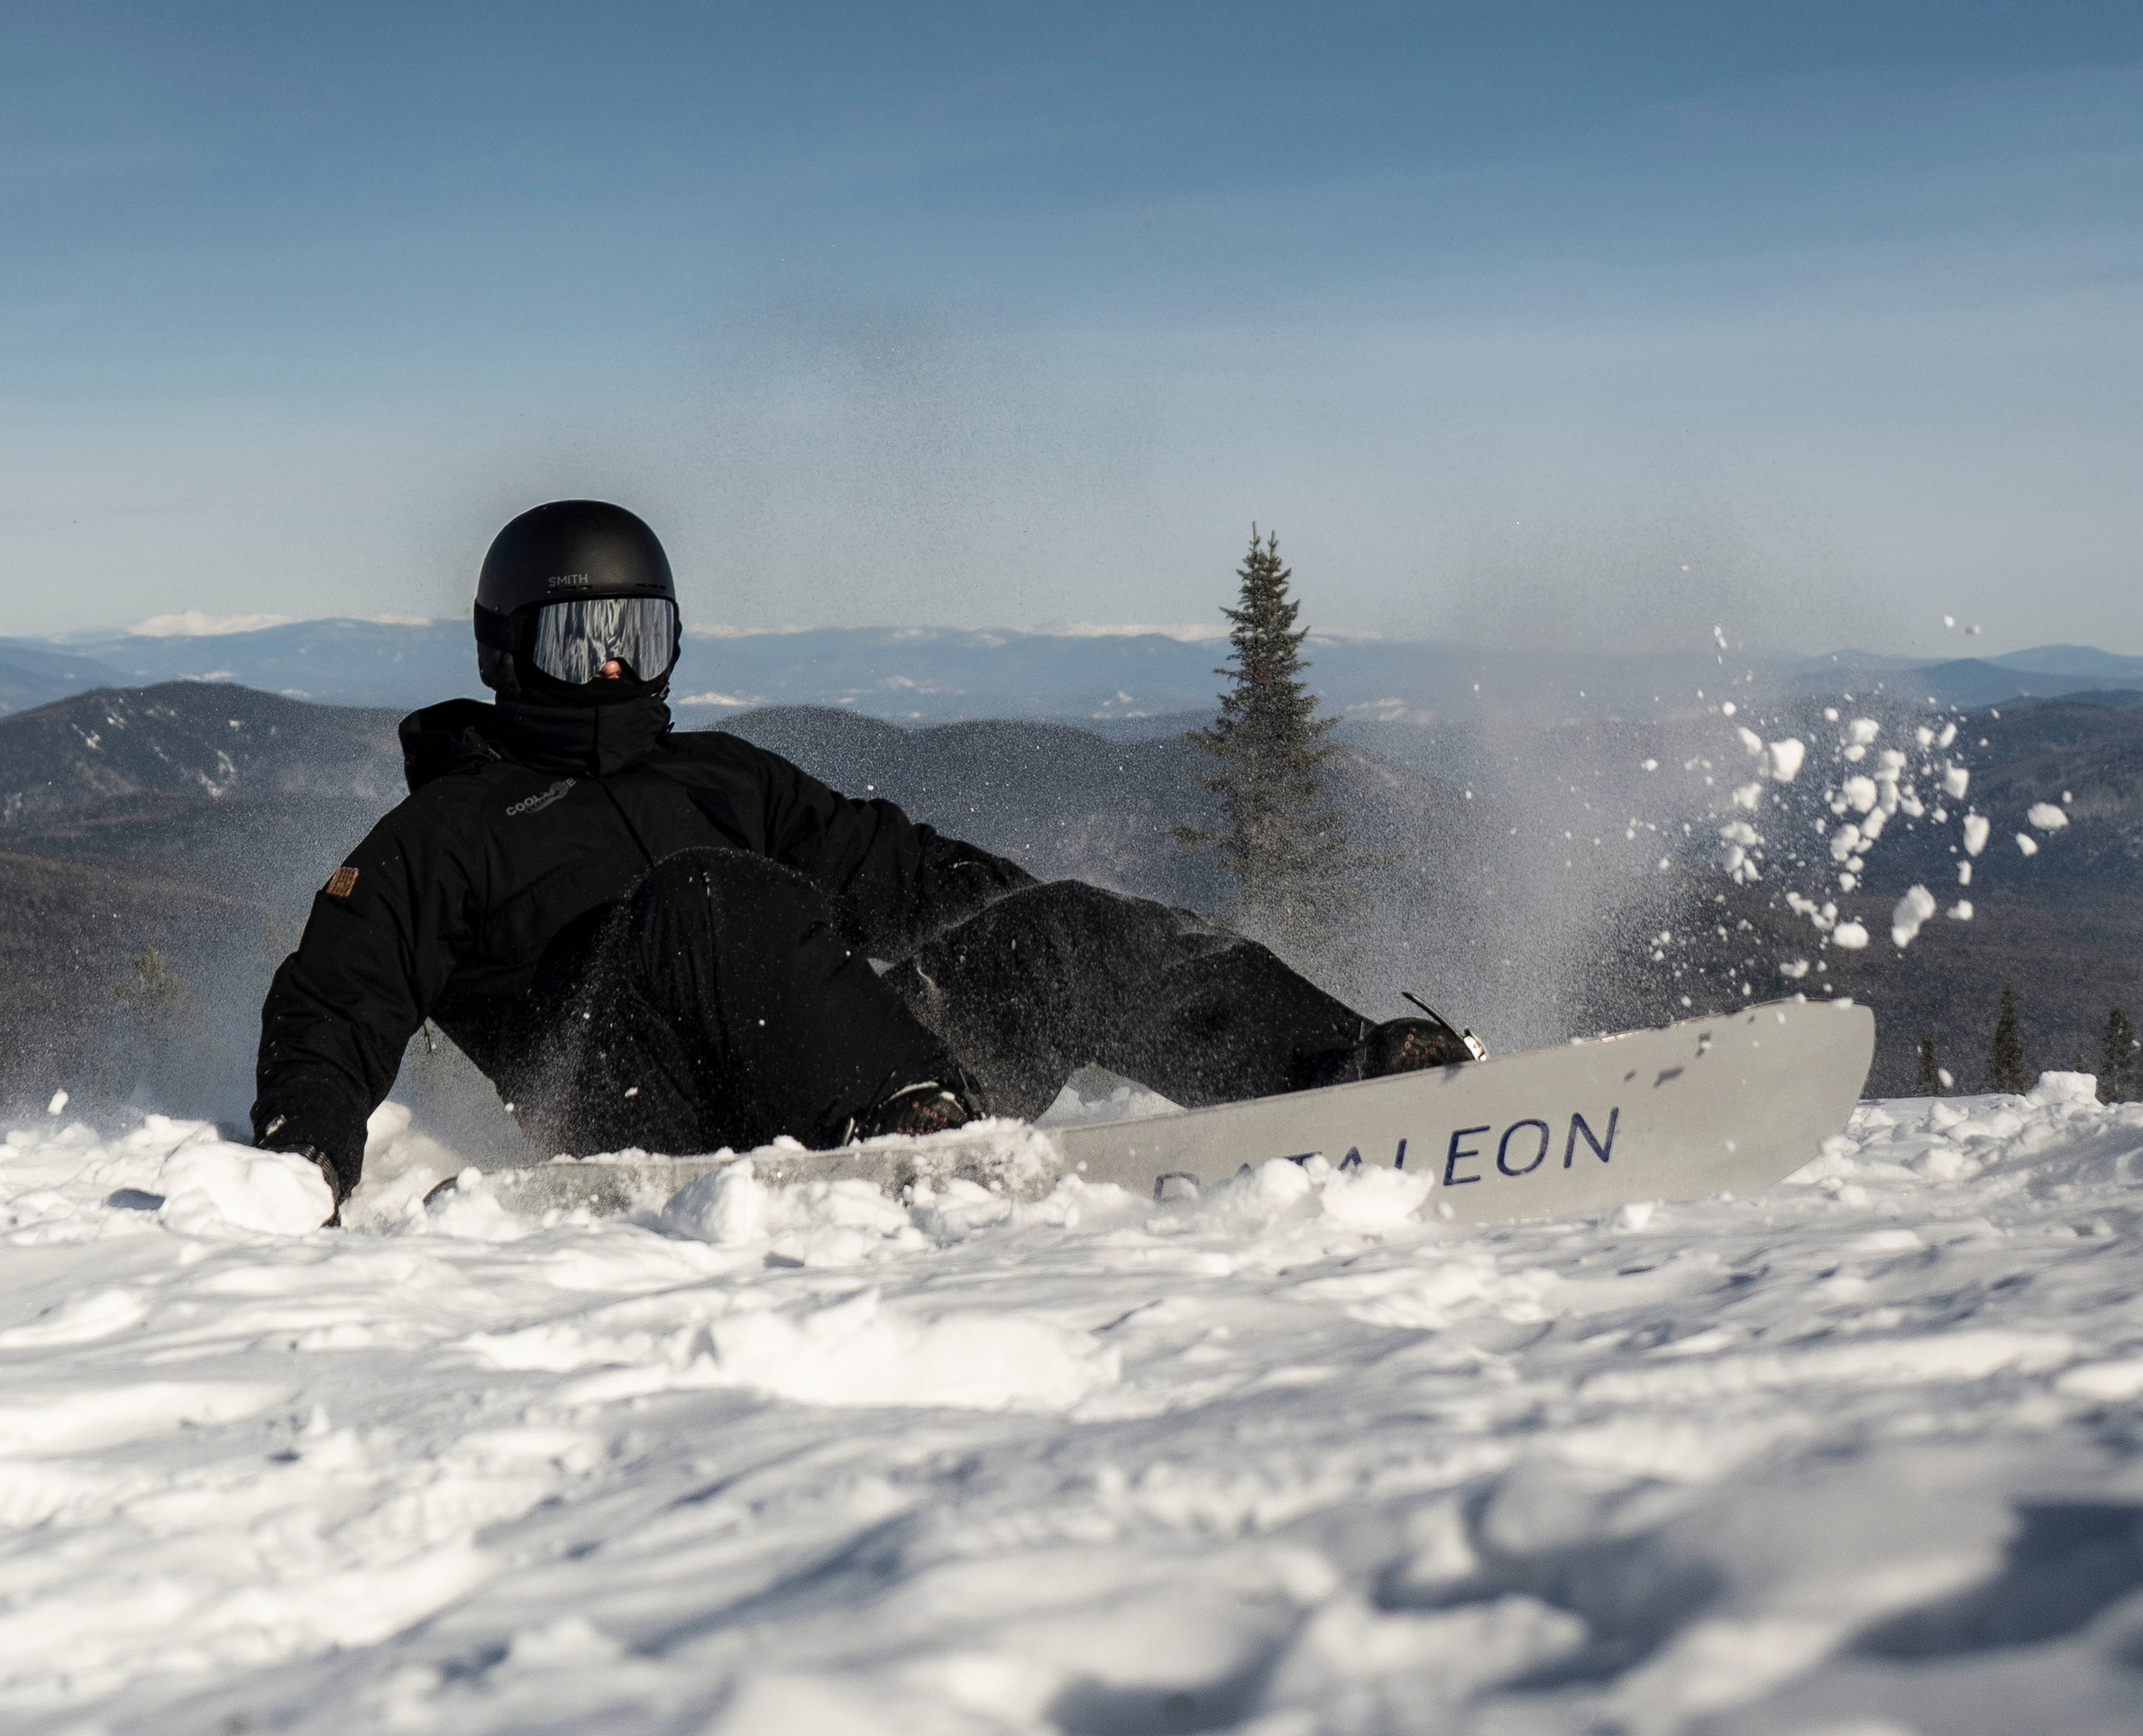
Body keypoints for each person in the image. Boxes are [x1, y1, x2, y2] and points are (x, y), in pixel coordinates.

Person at [252, 499, 1455, 1208]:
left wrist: (1051, 959)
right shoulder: (442, 835)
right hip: (649, 1119)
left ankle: (1341, 1075)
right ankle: (914, 1135)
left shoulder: (721, 776)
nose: (613, 668)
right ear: (506, 653)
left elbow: (904, 874)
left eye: (637, 636)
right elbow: (335, 1002)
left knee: (1067, 915)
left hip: (858, 1087)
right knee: (708, 898)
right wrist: (306, 1161)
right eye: (580, 643)